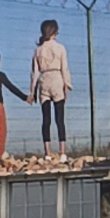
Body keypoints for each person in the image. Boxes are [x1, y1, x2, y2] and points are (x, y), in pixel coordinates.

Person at [29, 18, 71, 147]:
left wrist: (32, 91)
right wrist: (67, 84)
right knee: (60, 119)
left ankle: (47, 151)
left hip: (44, 80)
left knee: (46, 119)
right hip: (57, 79)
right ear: (55, 32)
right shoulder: (60, 48)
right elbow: (64, 68)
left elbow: (34, 73)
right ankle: (62, 150)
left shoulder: (38, 50)